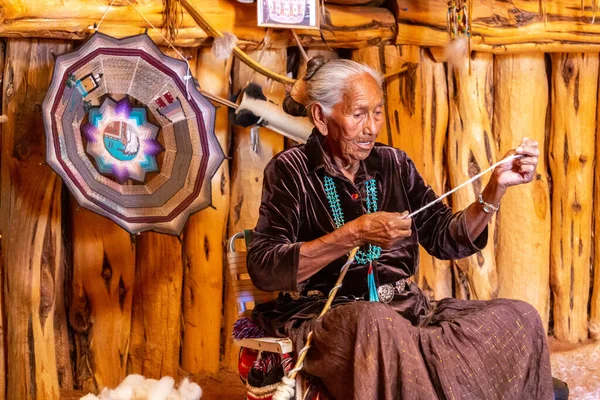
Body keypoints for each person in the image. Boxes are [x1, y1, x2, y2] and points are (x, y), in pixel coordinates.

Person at [247, 56, 554, 400]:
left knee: (519, 317)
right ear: (321, 116)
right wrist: (354, 233)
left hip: (408, 312)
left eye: (377, 112)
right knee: (376, 323)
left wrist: (496, 187)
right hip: (331, 320)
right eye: (358, 113)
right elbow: (265, 268)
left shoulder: (394, 163)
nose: (372, 127)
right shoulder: (290, 170)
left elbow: (446, 238)